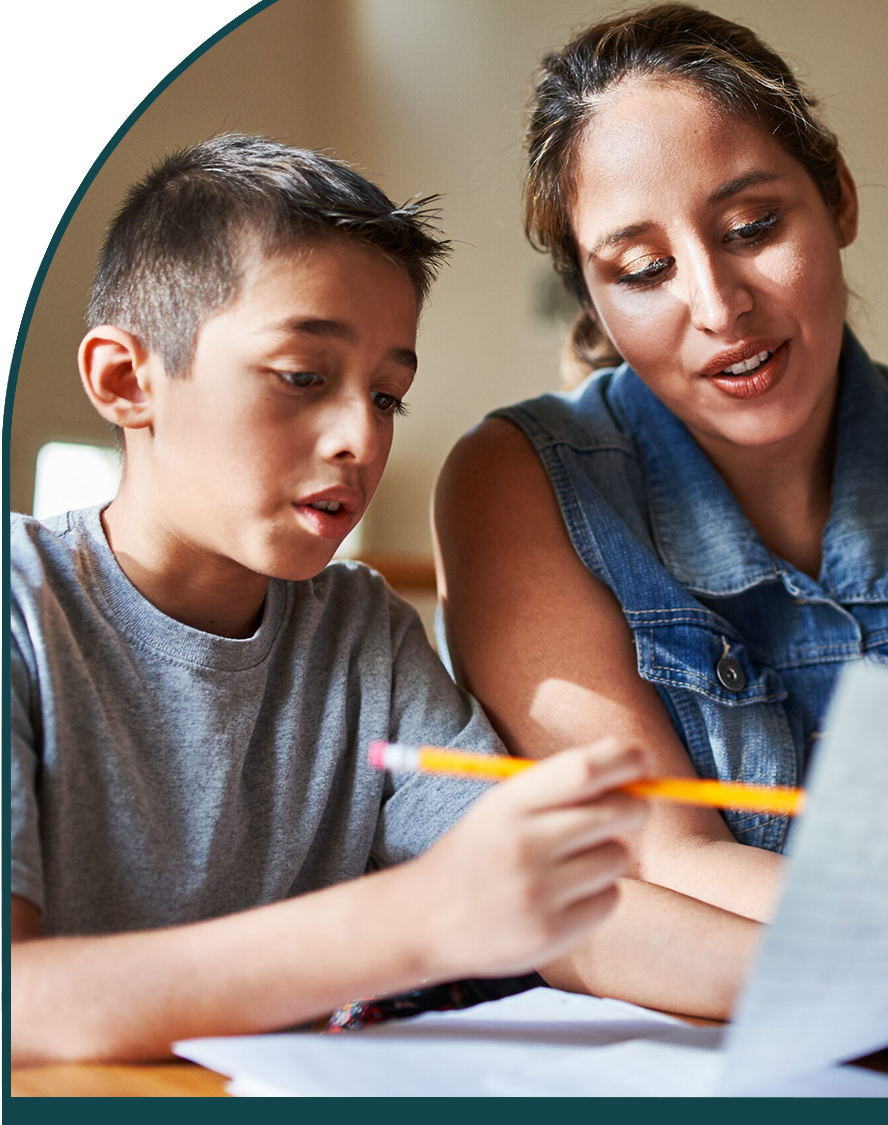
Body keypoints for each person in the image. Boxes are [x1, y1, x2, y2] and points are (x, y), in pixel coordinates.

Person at [433, 4, 888, 1087]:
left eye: (753, 226)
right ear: (594, 297)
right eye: (641, 269)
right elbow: (658, 851)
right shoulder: (516, 481)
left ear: (837, 196)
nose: (719, 305)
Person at [9, 135, 652, 1065]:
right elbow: (18, 1004)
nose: (360, 435)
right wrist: (415, 919)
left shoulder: (363, 634)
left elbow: (575, 918)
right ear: (126, 381)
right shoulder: (24, 609)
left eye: (388, 395)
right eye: (303, 377)